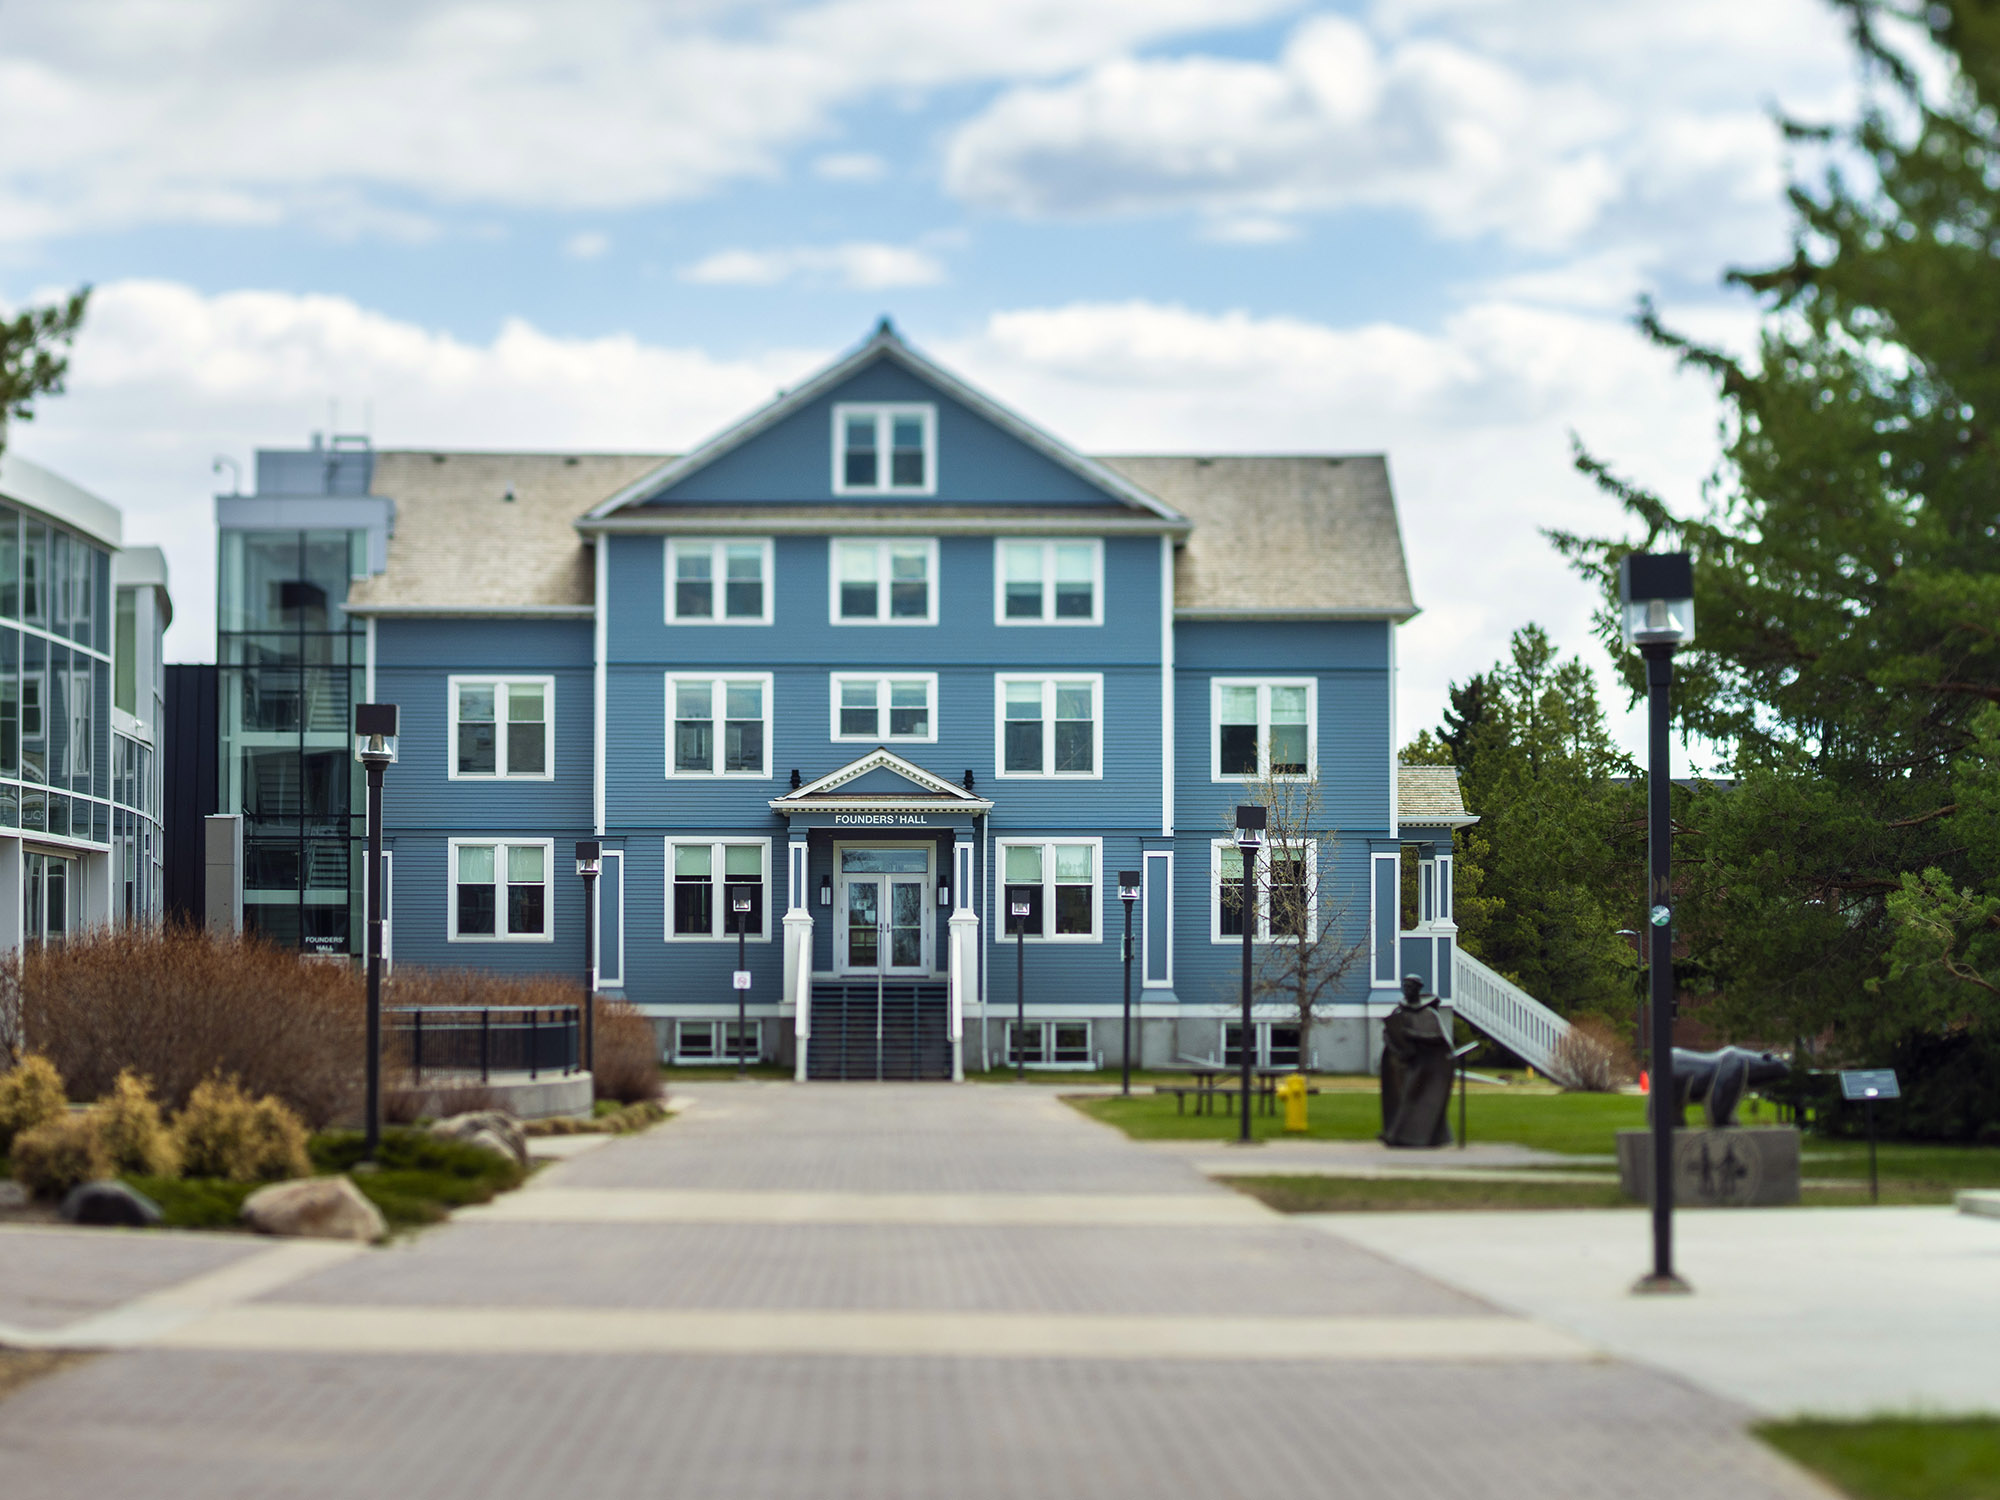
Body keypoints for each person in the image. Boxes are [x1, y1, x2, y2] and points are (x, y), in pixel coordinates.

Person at [1380, 974, 1454, 1148]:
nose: (1407, 990)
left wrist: (1414, 1036)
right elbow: (1388, 1032)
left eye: (1411, 986)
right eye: (1405, 986)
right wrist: (1397, 1046)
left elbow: (1439, 1038)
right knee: (1400, 1098)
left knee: (1417, 1099)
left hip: (1426, 1065)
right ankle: (1399, 1134)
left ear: (1418, 989)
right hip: (1402, 1062)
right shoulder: (1399, 1012)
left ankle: (1403, 1136)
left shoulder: (1429, 1013)